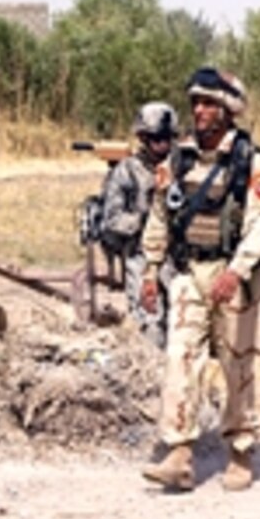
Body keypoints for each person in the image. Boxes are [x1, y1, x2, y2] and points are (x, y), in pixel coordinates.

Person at [140, 67, 260, 492]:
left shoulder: (250, 161)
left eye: (209, 103)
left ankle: (240, 449)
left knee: (237, 364)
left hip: (233, 276)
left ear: (229, 109)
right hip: (187, 276)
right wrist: (148, 270)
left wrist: (237, 270)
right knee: (179, 357)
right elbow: (160, 215)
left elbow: (259, 224)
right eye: (195, 102)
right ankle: (179, 453)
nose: (199, 110)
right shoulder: (177, 160)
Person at [101, 101, 177, 349]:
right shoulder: (126, 172)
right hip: (140, 257)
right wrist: (146, 221)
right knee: (151, 327)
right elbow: (111, 220)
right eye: (155, 138)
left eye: (166, 138)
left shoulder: (181, 166)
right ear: (143, 138)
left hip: (178, 258)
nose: (162, 144)